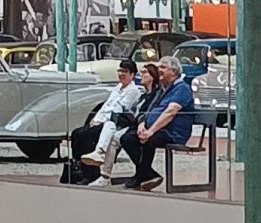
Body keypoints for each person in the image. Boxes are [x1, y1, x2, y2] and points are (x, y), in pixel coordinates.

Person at [122, 58, 195, 191]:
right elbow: (149, 109)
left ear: (174, 71)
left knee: (150, 140)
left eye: (163, 67)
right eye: (159, 67)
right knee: (127, 138)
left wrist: (150, 131)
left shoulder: (182, 88)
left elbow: (170, 112)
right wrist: (142, 125)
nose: (159, 70)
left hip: (172, 132)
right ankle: (148, 174)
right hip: (155, 129)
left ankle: (141, 175)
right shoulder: (162, 89)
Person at [69, 59, 145, 184]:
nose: (121, 74)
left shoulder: (133, 91)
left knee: (85, 136)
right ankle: (80, 169)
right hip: (101, 120)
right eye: (120, 70)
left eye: (125, 71)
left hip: (114, 123)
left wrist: (100, 122)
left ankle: (91, 173)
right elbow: (105, 106)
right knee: (76, 133)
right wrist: (95, 119)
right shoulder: (117, 88)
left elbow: (118, 111)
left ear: (132, 74)